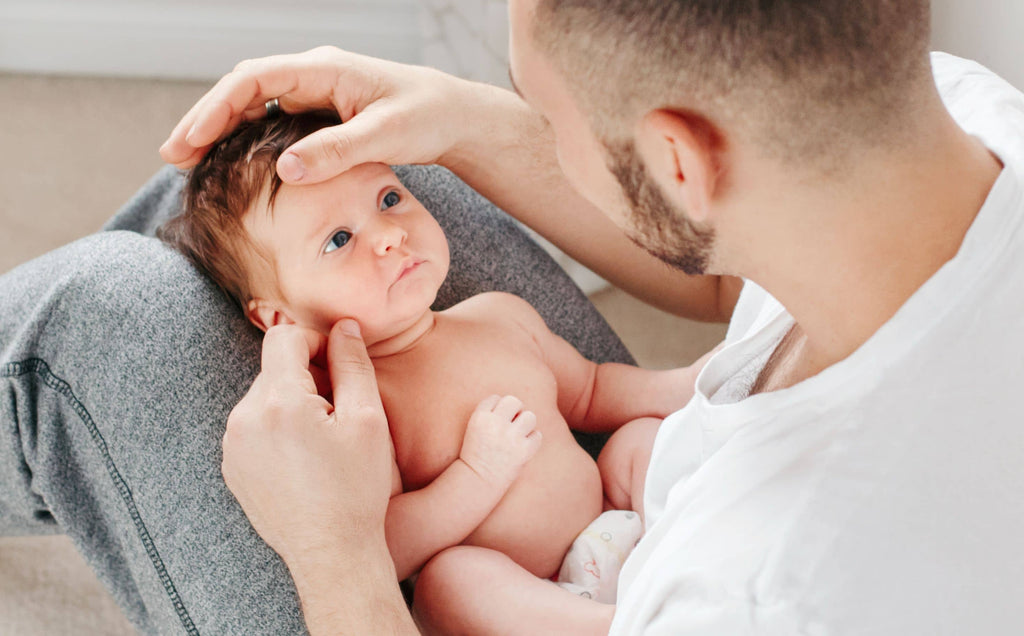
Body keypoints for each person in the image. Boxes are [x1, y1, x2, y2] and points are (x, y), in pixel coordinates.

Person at [157, 0, 1024, 634]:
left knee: (113, 299)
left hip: (576, 594)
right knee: (220, 206)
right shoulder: (961, 114)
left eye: (543, 110)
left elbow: (402, 543)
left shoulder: (764, 598)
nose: (398, 223)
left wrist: (329, 549)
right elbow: (721, 289)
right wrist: (458, 117)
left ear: (679, 162)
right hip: (633, 516)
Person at [161, 110, 707, 604]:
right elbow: (383, 549)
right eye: (339, 239)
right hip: (526, 598)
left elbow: (591, 390)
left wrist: (689, 383)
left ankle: (702, 552)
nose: (389, 236)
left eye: (389, 199)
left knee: (640, 441)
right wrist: (475, 475)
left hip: (616, 527)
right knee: (453, 583)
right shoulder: (354, 409)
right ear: (278, 320)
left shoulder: (500, 315)